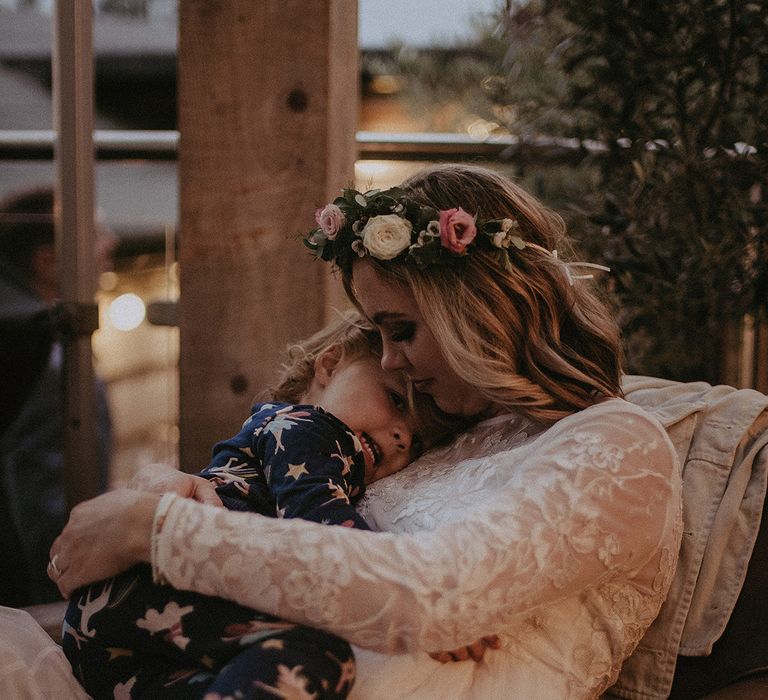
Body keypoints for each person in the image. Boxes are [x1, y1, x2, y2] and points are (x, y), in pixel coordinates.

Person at [48, 164, 683, 699]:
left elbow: (430, 594)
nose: (389, 362)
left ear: (479, 308)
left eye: (402, 329)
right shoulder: (439, 431)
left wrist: (153, 531)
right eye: (377, 335)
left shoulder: (619, 446)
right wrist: (161, 491)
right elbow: (285, 497)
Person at [62, 311, 465, 699]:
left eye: (418, 439)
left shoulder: (270, 432)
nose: (402, 437)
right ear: (330, 364)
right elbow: (322, 533)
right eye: (395, 400)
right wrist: (409, 602)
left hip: (117, 638)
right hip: (154, 587)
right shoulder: (307, 427)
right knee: (315, 654)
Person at [0, 185, 114, 607]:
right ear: (47, 260)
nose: (112, 243)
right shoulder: (41, 355)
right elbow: (39, 482)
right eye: (97, 234)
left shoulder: (43, 339)